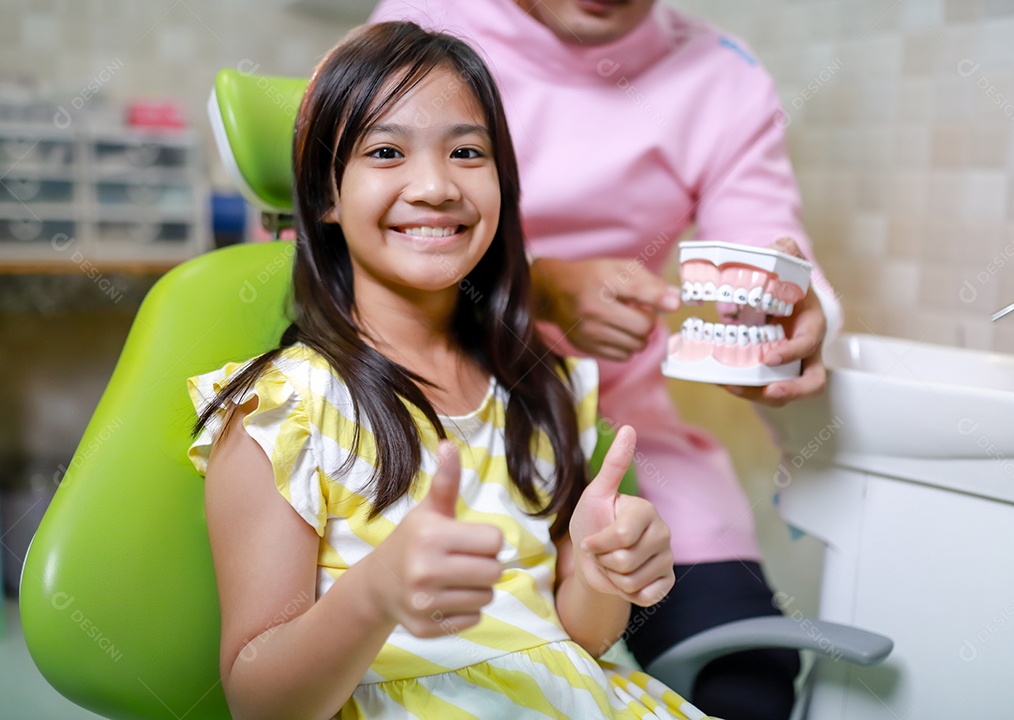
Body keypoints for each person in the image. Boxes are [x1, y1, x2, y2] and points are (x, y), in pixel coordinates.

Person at [188, 21, 716, 720]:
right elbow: (259, 703)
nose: (435, 186)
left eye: (467, 151)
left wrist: (599, 571)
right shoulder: (285, 409)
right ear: (326, 196)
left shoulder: (540, 386)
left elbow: (579, 636)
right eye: (386, 151)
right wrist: (374, 593)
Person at [366, 2, 845, 718]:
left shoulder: (720, 77)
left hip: (626, 448)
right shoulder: (425, 27)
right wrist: (539, 288)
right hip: (440, 427)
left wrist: (793, 308)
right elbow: (347, 245)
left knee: (748, 673)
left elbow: (768, 249)